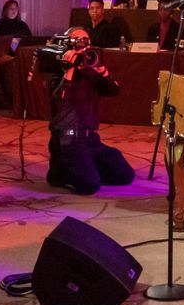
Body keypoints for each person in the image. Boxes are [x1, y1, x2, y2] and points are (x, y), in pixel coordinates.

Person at [44, 28, 134, 195]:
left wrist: (101, 70)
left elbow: (114, 90)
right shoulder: (57, 73)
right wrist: (69, 71)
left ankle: (83, 167)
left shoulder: (89, 72)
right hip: (67, 143)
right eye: (78, 40)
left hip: (91, 140)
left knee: (125, 175)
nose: (83, 45)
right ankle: (60, 171)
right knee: (89, 186)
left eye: (86, 41)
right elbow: (59, 102)